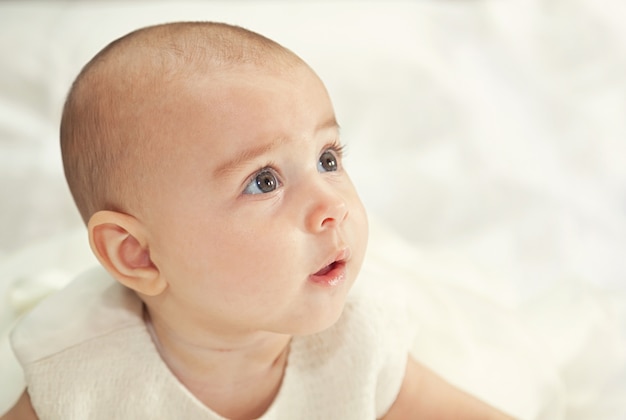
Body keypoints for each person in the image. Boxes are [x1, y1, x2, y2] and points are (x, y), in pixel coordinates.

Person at [2, 22, 511, 419]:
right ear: (138, 254)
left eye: (328, 159)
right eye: (263, 181)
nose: (331, 204)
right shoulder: (77, 375)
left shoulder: (357, 339)